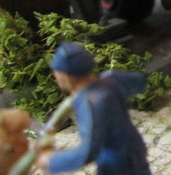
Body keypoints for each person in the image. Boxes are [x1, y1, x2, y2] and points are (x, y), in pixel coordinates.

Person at [34, 42, 152, 175]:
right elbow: (140, 82)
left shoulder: (90, 104)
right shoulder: (111, 78)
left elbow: (88, 152)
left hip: (115, 163)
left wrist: (51, 160)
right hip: (134, 148)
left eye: (56, 73)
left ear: (66, 76)